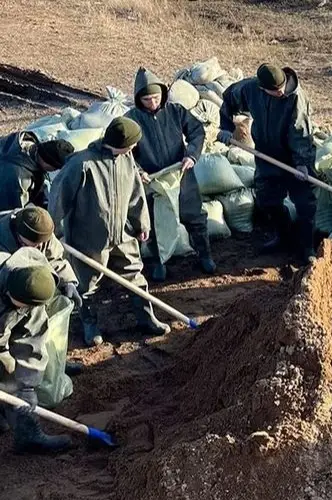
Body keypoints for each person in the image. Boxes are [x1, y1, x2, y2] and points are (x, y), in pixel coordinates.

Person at [49, 117, 170, 347]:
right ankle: (90, 324)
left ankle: (147, 317)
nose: (135, 146)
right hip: (89, 239)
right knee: (87, 285)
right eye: (133, 143)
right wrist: (52, 232)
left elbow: (135, 193)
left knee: (135, 276)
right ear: (121, 142)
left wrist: (141, 223)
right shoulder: (82, 164)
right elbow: (58, 198)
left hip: (122, 235)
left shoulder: (127, 159)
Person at [218, 63, 318, 265]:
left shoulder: (295, 98)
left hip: (294, 157)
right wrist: (226, 128)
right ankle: (284, 236)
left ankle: (307, 246)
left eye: (282, 88)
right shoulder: (250, 89)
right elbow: (229, 99)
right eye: (275, 91)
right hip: (266, 155)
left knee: (305, 203)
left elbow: (301, 133)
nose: (281, 92)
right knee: (266, 200)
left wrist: (301, 163)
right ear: (263, 88)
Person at [124, 67, 214, 281]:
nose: (152, 103)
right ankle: (158, 262)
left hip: (180, 175)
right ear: (138, 99)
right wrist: (138, 171)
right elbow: (125, 152)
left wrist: (191, 155)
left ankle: (205, 255)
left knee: (194, 216)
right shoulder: (131, 120)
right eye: (147, 100)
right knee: (155, 223)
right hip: (152, 181)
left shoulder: (175, 111)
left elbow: (196, 132)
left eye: (156, 98)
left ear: (163, 94)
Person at [0, 247, 71, 453]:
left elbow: (30, 342)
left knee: (12, 374)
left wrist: (28, 388)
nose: (22, 309)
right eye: (18, 305)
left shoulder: (33, 294)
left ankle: (28, 436)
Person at [0, 207, 81, 309]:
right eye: (26, 245)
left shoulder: (42, 229)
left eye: (38, 246)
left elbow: (53, 258)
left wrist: (68, 282)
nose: (35, 249)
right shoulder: (3, 245)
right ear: (16, 232)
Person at [0, 131, 74, 211]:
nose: (54, 170)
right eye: (55, 168)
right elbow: (12, 212)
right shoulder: (19, 178)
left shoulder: (27, 144)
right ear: (47, 162)